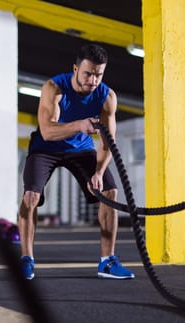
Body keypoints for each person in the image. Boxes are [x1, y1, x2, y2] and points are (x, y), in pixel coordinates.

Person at [18, 43, 135, 280]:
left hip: (81, 150)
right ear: (75, 69)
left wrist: (99, 172)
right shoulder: (53, 88)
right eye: (88, 73)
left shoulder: (107, 97)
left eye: (98, 75)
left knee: (110, 191)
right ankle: (26, 259)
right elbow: (48, 131)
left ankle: (107, 261)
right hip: (45, 148)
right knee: (31, 196)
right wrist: (80, 125)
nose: (93, 80)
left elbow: (106, 143)